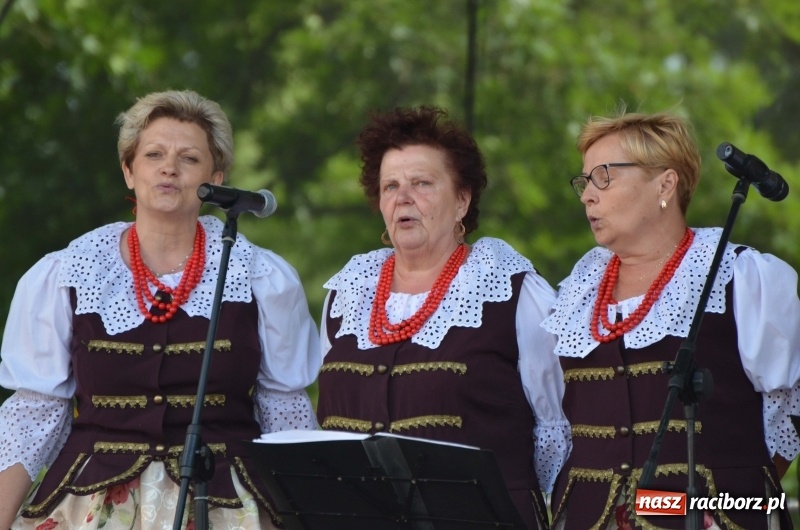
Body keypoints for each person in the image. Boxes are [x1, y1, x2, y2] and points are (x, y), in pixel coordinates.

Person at [0, 90, 321, 530]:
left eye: (189, 158)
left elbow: (285, 413)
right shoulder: (69, 273)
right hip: (92, 508)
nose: (169, 167)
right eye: (153, 154)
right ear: (129, 172)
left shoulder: (260, 277)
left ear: (217, 178)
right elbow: (34, 413)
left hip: (224, 503)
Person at [315, 105, 570, 529]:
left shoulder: (512, 291)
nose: (403, 197)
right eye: (390, 186)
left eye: (422, 183)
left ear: (462, 201)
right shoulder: (347, 294)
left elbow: (557, 429)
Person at [543, 109, 800, 529]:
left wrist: (733, 503)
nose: (589, 194)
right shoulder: (577, 290)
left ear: (665, 183)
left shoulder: (737, 276)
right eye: (585, 181)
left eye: (604, 176)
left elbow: (791, 411)